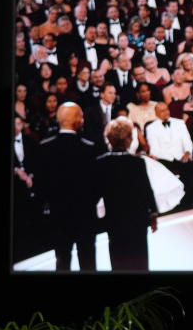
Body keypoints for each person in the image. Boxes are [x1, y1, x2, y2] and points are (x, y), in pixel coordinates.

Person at [32, 102, 99, 271]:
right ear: (77, 120)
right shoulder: (89, 148)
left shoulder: (45, 147)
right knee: (88, 262)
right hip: (85, 216)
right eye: (81, 116)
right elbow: (96, 186)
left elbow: (39, 186)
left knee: (62, 261)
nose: (83, 120)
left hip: (58, 216)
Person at [94, 117, 159, 271]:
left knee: (118, 258)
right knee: (140, 260)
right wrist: (153, 214)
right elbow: (146, 190)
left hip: (114, 219)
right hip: (137, 219)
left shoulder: (101, 163)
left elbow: (96, 193)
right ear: (128, 139)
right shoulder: (137, 163)